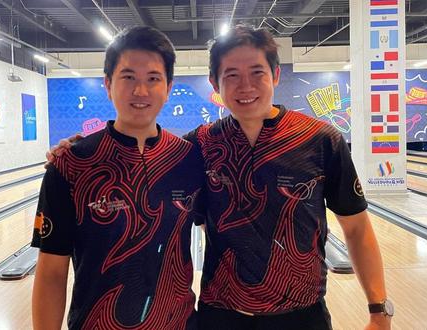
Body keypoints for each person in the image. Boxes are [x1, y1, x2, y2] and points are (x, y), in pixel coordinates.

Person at [48, 25, 391, 330]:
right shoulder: (199, 145)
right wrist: (76, 150)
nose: (245, 86)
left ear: (275, 75)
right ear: (215, 83)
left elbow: (357, 228)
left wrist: (379, 309)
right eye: (231, 75)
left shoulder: (321, 140)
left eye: (256, 72)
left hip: (303, 315)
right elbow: (140, 161)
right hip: (220, 316)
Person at [32, 26, 204, 330]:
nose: (141, 91)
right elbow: (51, 273)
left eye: (153, 79)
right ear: (108, 84)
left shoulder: (189, 159)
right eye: (128, 78)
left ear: (169, 87)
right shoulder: (71, 164)